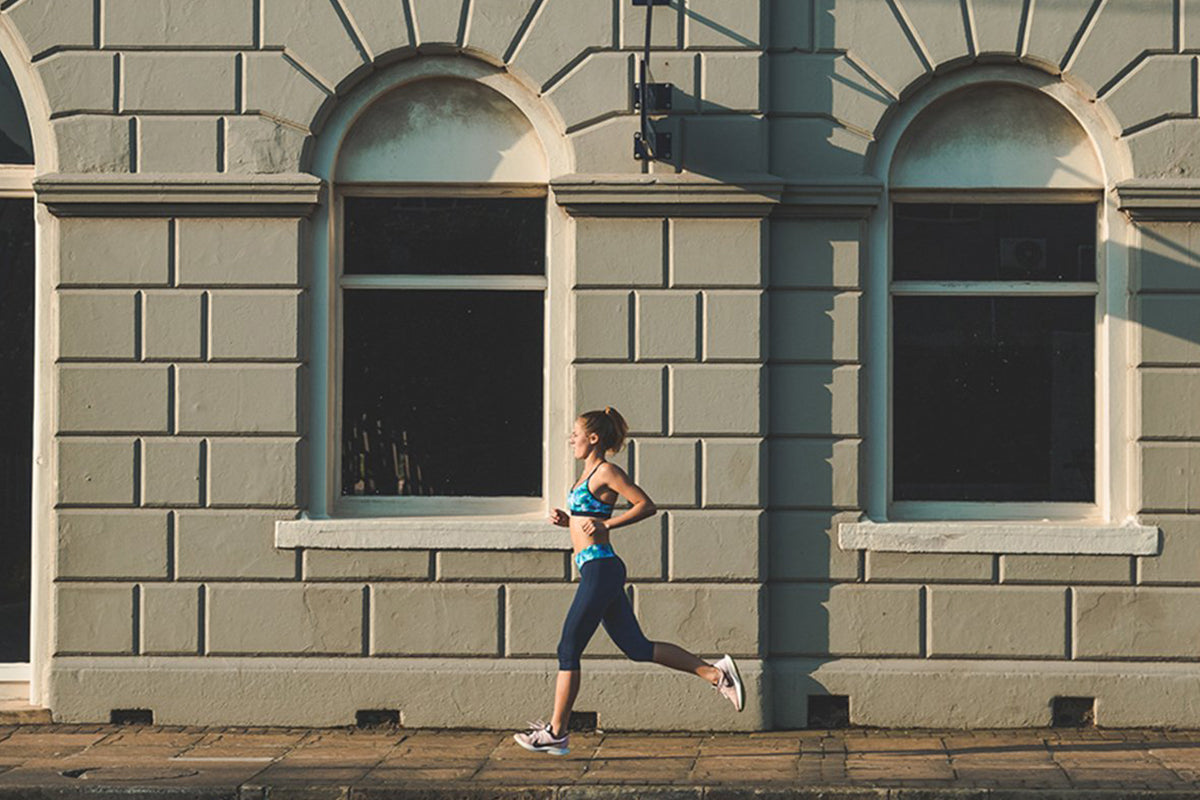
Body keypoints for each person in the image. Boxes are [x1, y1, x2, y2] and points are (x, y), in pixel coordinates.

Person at [514, 406, 744, 756]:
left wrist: (608, 525)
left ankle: (557, 732)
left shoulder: (607, 471)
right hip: (594, 569)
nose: (571, 439)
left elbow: (645, 505)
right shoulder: (586, 473)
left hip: (601, 569)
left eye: (576, 434)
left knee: (568, 647)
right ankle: (716, 675)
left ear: (594, 438)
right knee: (637, 648)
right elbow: (588, 517)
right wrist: (569, 522)